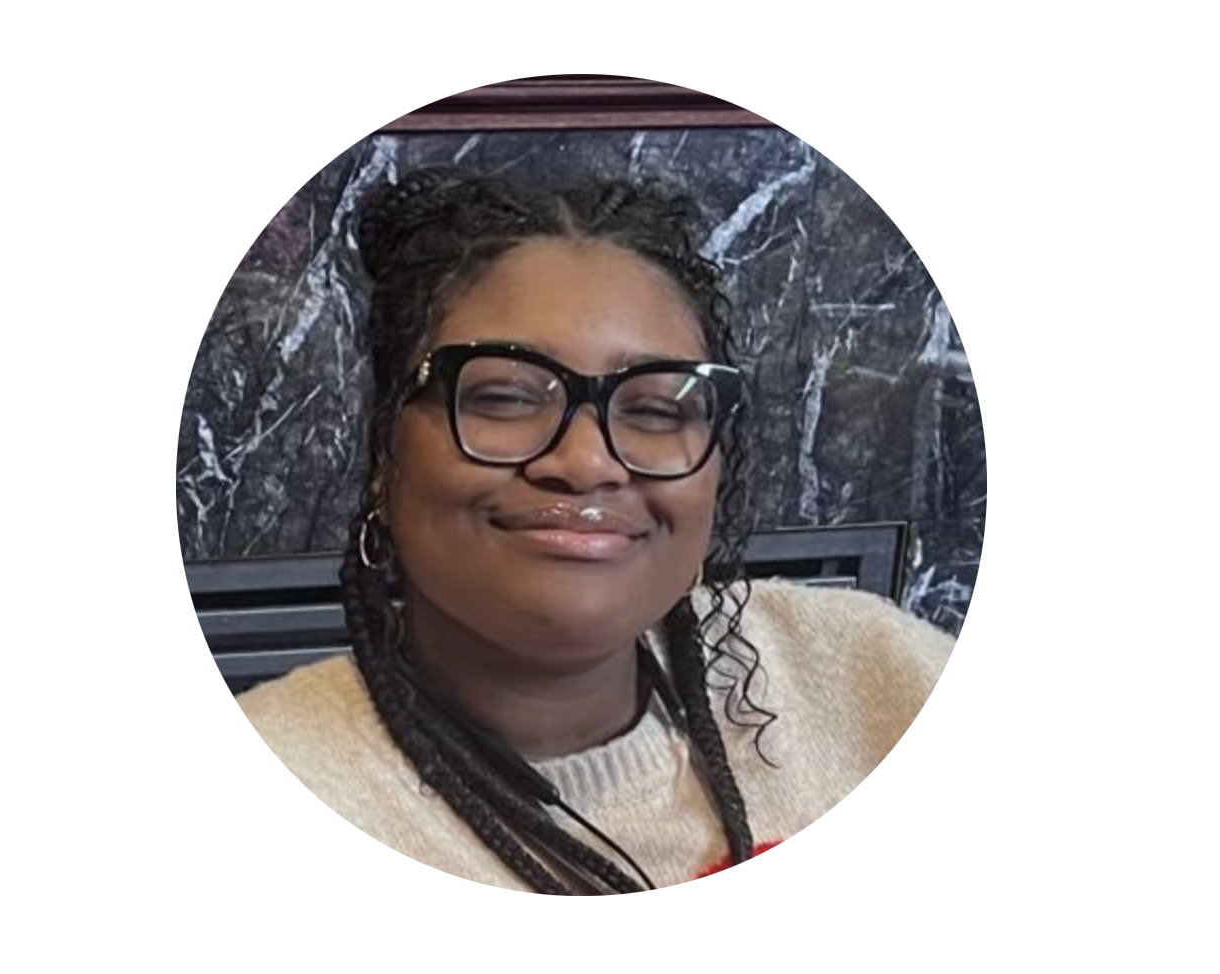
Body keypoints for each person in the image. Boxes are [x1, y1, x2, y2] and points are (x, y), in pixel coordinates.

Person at [233, 167, 959, 895]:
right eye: (506, 397)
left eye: (653, 409)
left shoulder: (877, 676)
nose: (585, 463)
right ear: (383, 454)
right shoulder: (291, 765)